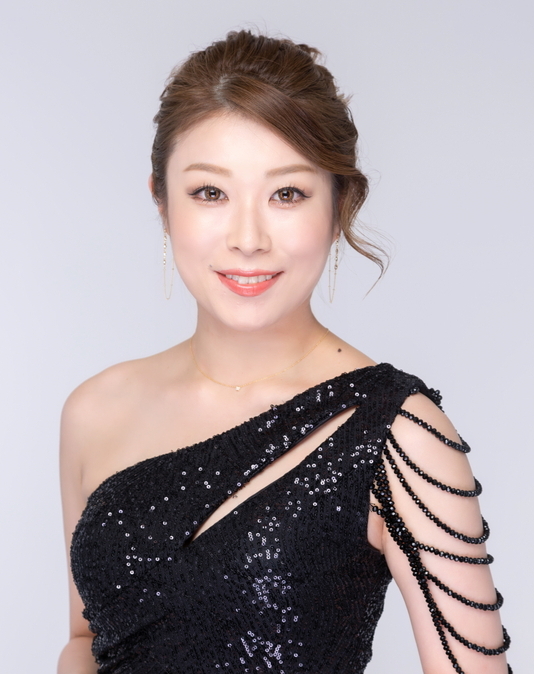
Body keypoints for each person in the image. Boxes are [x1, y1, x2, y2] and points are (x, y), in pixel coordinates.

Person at [58, 30, 512, 674]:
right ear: (161, 201)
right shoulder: (95, 411)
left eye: (287, 194)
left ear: (339, 204)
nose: (248, 238)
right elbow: (85, 640)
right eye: (210, 192)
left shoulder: (397, 430)